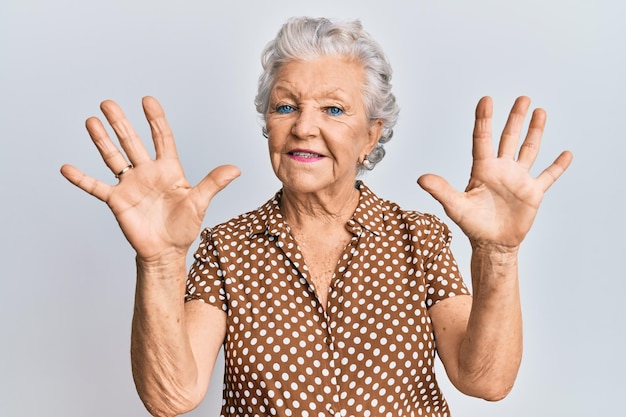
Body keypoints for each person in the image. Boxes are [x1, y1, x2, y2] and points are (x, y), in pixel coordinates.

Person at [60, 16, 572, 417]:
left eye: (333, 110)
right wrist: (161, 261)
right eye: (285, 107)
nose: (304, 127)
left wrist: (499, 253)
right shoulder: (226, 247)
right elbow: (171, 396)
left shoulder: (419, 236)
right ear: (268, 125)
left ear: (371, 136)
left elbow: (485, 379)